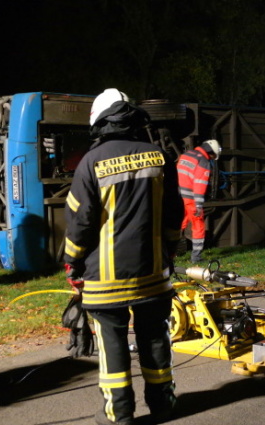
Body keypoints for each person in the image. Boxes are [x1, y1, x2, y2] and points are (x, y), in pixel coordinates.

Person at [63, 88, 184, 425]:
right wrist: (168, 251)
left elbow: (80, 222)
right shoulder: (159, 157)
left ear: (99, 122)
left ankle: (119, 415)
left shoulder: (91, 162)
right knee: (156, 339)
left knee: (112, 345)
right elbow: (174, 213)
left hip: (105, 279)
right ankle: (163, 404)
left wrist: (72, 264)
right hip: (153, 274)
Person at [177, 139, 221, 263]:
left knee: (179, 224)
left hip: (179, 196)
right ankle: (196, 257)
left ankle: (169, 254)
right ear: (211, 152)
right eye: (213, 156)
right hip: (191, 198)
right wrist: (199, 204)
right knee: (198, 226)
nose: (212, 159)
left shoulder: (186, 155)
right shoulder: (203, 161)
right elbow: (199, 184)